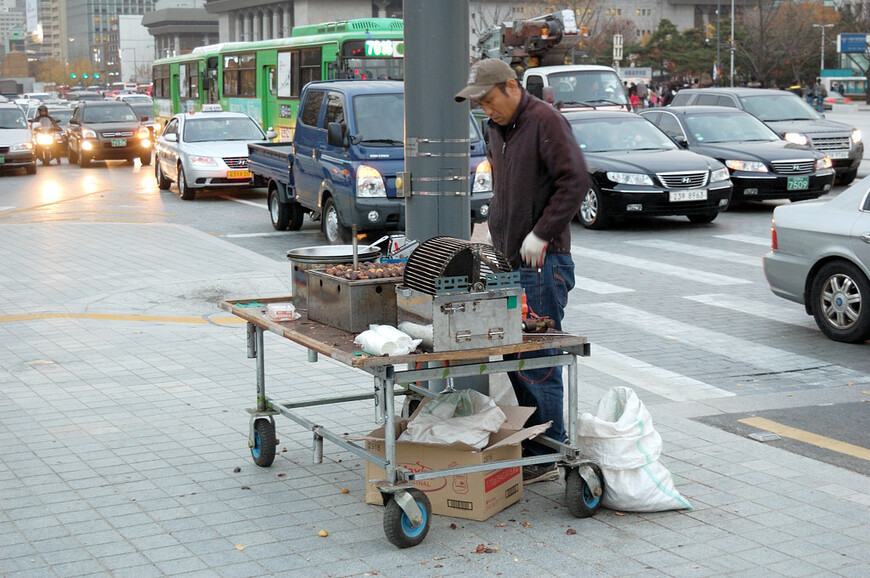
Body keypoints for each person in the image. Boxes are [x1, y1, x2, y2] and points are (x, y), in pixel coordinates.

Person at [454, 59, 589, 484]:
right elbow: (505, 188)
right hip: (509, 260)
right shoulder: (497, 129)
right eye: (479, 104)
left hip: (542, 263)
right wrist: (491, 226)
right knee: (516, 355)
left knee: (540, 360)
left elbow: (575, 180)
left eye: (490, 100)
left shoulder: (544, 120)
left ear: (511, 87)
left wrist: (542, 233)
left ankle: (551, 448)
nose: (486, 110)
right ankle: (536, 441)